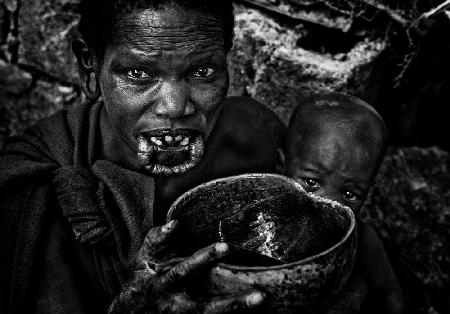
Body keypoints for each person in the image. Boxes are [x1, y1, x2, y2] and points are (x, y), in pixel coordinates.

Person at [0, 1, 286, 313]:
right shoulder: (28, 190)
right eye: (138, 73)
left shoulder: (256, 142)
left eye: (203, 71)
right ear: (89, 67)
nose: (175, 107)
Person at [283, 93, 407, 314]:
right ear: (281, 163)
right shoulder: (265, 226)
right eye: (312, 182)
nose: (329, 204)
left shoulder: (363, 240)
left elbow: (391, 294)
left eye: (349, 193)